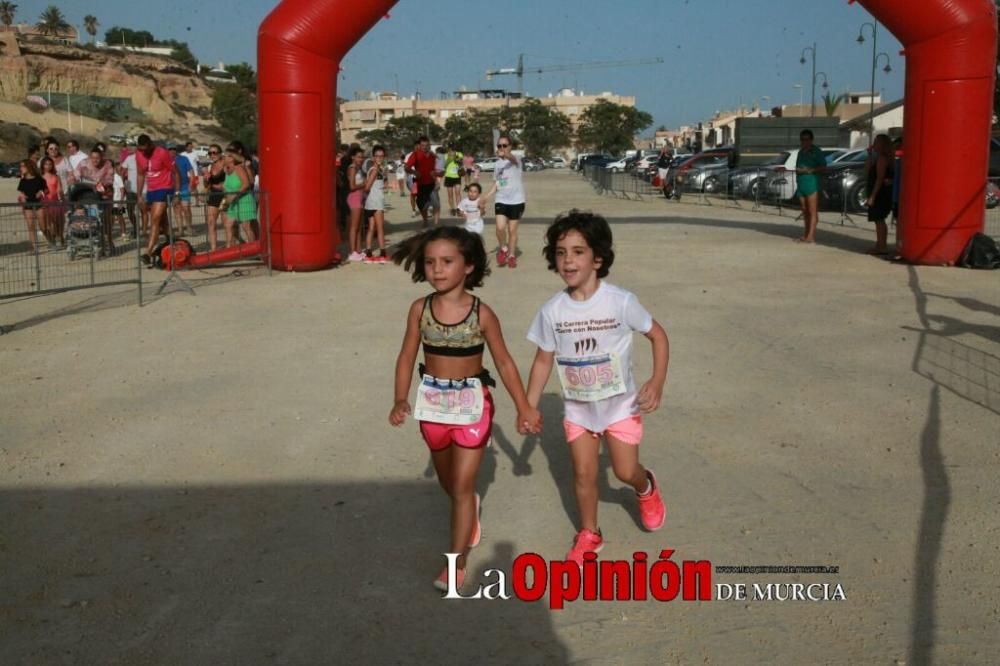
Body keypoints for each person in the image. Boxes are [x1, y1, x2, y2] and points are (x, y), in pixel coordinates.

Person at [389, 226, 541, 591]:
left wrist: (524, 407)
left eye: (447, 262)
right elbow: (407, 354)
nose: (437, 270)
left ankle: (455, 563)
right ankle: (469, 509)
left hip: (473, 407)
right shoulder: (419, 309)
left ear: (468, 266)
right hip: (433, 409)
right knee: (451, 484)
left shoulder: (482, 313)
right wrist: (399, 398)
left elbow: (504, 363)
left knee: (460, 486)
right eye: (429, 262)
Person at [525, 210, 669, 568]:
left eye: (578, 251)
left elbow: (658, 335)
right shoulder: (552, 310)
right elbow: (543, 360)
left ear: (598, 258)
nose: (568, 260)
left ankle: (645, 486)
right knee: (584, 475)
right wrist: (529, 406)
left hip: (620, 408)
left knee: (623, 471)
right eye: (560, 252)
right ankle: (590, 533)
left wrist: (657, 381)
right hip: (579, 411)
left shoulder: (620, 301)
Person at [135, 134, 179, 265]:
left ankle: (148, 252)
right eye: (141, 150)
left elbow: (175, 172)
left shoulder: (162, 153)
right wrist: (139, 194)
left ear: (150, 144)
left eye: (145, 150)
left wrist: (177, 193)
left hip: (164, 188)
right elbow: (140, 174)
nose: (143, 152)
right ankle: (170, 238)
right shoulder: (139, 155)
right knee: (161, 219)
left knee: (155, 219)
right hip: (151, 190)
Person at [483, 136, 525, 268]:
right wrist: (487, 196)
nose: (502, 148)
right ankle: (504, 249)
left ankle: (512, 256)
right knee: (500, 228)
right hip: (501, 199)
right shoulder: (497, 164)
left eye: (505, 145)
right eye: (499, 146)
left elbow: (511, 158)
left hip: (517, 201)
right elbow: (497, 183)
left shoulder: (516, 159)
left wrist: (506, 154)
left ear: (510, 146)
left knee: (512, 230)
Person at [74, 146, 117, 254]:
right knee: (94, 220)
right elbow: (75, 175)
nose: (95, 160)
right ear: (90, 157)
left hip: (105, 194)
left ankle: (110, 242)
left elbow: (110, 179)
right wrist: (77, 179)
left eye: (97, 158)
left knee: (107, 221)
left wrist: (101, 184)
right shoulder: (83, 163)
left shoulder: (107, 164)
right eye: (93, 158)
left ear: (102, 157)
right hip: (89, 195)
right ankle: (100, 244)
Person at [865, 134, 896, 256]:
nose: (874, 144)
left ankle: (882, 246)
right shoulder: (878, 157)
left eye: (876, 142)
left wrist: (873, 196)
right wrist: (869, 154)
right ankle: (880, 244)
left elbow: (879, 178)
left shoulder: (883, 158)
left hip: (880, 192)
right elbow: (867, 169)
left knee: (879, 219)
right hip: (879, 191)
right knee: (878, 219)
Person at [793, 129, 825, 243]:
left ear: (811, 140)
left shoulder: (816, 151)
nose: (804, 141)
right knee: (805, 210)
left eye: (807, 139)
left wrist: (811, 170)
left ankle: (811, 236)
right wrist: (799, 171)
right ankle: (806, 234)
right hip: (801, 183)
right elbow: (797, 168)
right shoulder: (800, 152)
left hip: (812, 184)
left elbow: (823, 166)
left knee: (812, 211)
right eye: (802, 139)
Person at [222, 148, 258, 245]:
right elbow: (226, 186)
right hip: (233, 202)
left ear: (232, 159)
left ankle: (253, 249)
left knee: (247, 227)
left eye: (227, 155)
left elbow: (246, 184)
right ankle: (229, 248)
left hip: (244, 200)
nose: (224, 157)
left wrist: (234, 195)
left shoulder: (238, 168)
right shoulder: (227, 170)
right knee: (228, 225)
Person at [362, 144, 389, 262]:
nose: (379, 158)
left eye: (381, 156)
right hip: (376, 201)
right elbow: (367, 187)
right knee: (380, 228)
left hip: (370, 202)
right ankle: (383, 253)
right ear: (373, 157)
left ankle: (368, 252)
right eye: (377, 156)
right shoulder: (375, 170)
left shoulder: (375, 169)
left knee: (371, 228)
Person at [406, 136, 439, 227]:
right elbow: (406, 167)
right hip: (420, 184)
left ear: (429, 145)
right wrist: (414, 172)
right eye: (422, 145)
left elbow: (439, 168)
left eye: (426, 145)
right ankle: (425, 220)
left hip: (432, 183)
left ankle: (436, 223)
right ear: (420, 146)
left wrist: (437, 178)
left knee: (436, 203)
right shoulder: (415, 154)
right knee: (420, 204)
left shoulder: (433, 155)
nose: (424, 147)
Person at [16, 159, 47, 252]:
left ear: (29, 167)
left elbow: (46, 190)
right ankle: (34, 248)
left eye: (23, 166)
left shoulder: (39, 179)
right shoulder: (22, 180)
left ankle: (50, 239)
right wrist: (22, 196)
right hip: (28, 205)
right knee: (30, 226)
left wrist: (41, 192)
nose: (21, 168)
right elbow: (21, 192)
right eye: (20, 166)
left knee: (43, 227)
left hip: (39, 204)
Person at [203, 145, 227, 251]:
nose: (212, 155)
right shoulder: (209, 167)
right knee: (211, 222)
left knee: (226, 223)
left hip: (225, 195)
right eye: (210, 153)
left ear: (220, 153)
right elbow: (206, 185)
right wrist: (206, 178)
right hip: (213, 194)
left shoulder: (226, 164)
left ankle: (229, 247)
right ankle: (214, 249)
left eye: (215, 153)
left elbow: (232, 179)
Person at [345, 146, 367, 262]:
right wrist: (364, 184)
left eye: (362, 157)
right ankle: (353, 251)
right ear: (353, 157)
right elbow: (352, 186)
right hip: (354, 197)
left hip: (359, 197)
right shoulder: (353, 168)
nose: (361, 159)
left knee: (359, 226)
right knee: (354, 227)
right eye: (358, 157)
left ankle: (358, 250)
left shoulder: (358, 168)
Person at [168, 145, 196, 236]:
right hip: (172, 188)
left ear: (176, 150)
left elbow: (191, 171)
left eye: (173, 149)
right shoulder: (166, 160)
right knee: (176, 209)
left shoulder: (184, 159)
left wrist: (191, 184)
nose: (172, 151)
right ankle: (180, 230)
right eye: (170, 149)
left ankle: (189, 227)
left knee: (186, 208)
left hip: (184, 187)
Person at [39, 156, 65, 247]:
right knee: (46, 225)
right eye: (46, 164)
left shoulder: (56, 177)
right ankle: (52, 240)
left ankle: (59, 238)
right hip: (44, 203)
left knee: (58, 222)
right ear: (42, 165)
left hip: (55, 202)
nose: (48, 166)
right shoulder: (40, 177)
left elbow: (59, 189)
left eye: (50, 164)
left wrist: (62, 199)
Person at [443, 145, 465, 216]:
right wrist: (450, 159)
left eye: (453, 148)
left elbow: (461, 163)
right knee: (450, 195)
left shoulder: (459, 154)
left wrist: (457, 159)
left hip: (457, 176)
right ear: (448, 148)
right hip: (448, 177)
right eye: (450, 148)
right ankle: (452, 209)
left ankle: (459, 209)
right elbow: (444, 166)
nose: (452, 150)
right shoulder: (445, 155)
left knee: (458, 193)